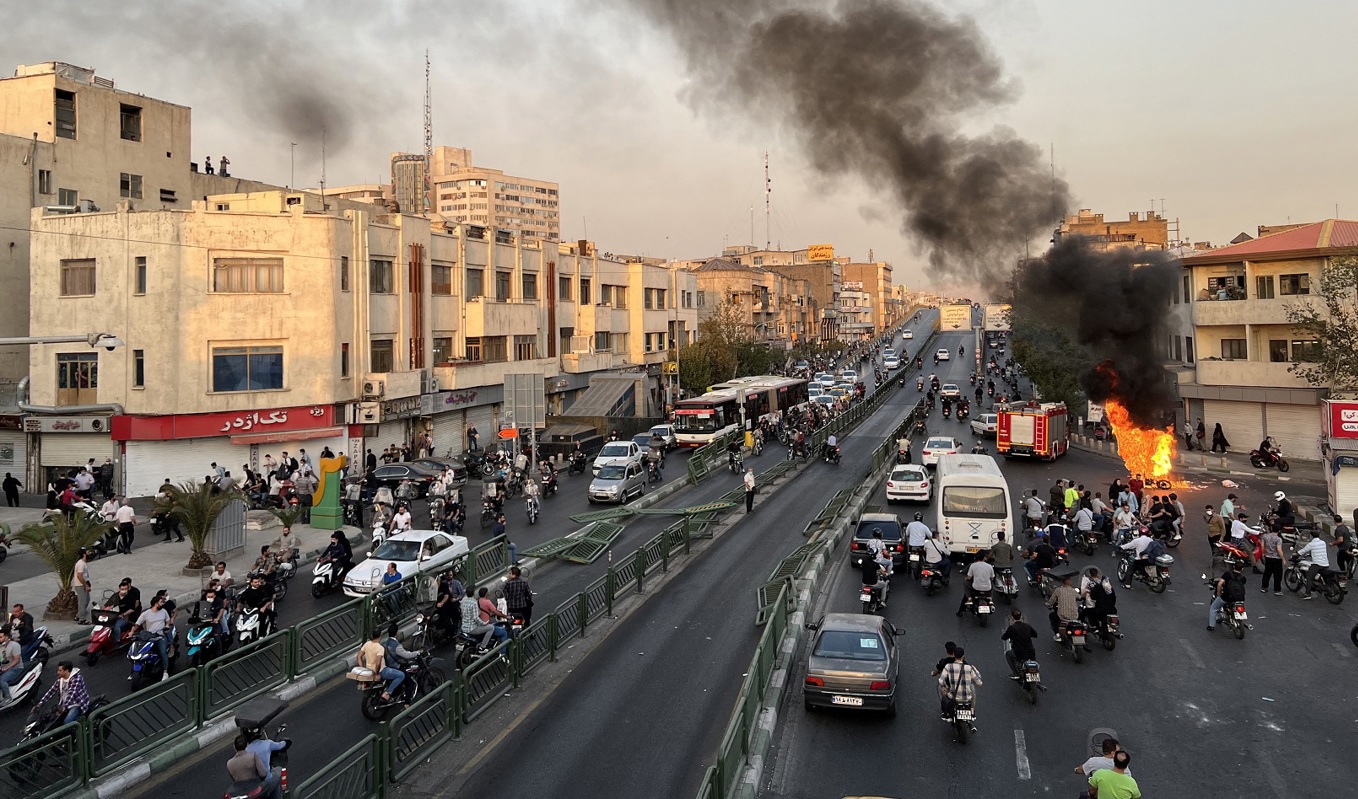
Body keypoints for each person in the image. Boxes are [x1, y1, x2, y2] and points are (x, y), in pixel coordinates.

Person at [130, 593, 174, 682]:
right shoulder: (146, 614)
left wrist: (167, 625)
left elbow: (168, 620)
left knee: (162, 652)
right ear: (155, 603)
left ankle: (165, 672)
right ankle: (133, 672)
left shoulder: (164, 611)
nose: (162, 604)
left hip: (160, 637)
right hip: (148, 637)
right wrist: (131, 632)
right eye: (161, 602)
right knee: (138, 651)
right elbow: (137, 624)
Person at [37, 660, 91, 724]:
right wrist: (40, 703)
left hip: (77, 704)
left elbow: (72, 694)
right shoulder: (60, 679)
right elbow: (51, 691)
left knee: (67, 722)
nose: (57, 672)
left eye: (60, 670)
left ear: (67, 671)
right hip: (65, 705)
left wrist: (63, 708)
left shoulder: (77, 679)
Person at [936, 646, 981, 721]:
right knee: (972, 687)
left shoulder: (948, 666)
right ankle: (972, 711)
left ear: (954, 655)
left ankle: (946, 713)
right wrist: (976, 671)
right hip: (967, 697)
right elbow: (979, 682)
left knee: (941, 688)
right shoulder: (968, 667)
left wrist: (945, 688)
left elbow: (941, 681)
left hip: (953, 696)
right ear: (963, 656)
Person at [382, 622, 422, 700]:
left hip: (387, 666)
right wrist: (417, 653)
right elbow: (406, 655)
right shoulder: (397, 646)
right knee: (410, 683)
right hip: (396, 667)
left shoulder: (385, 643)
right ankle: (407, 704)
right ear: (396, 633)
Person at [1046, 573, 1084, 647]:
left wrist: (1047, 604)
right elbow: (1079, 597)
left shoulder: (1058, 590)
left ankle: (1058, 634)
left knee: (1052, 616)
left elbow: (1051, 601)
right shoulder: (1073, 591)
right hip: (1074, 617)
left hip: (1063, 617)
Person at [1207, 561, 1247, 630]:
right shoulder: (1243, 578)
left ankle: (1211, 626)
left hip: (1226, 597)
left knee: (1213, 608)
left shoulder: (1227, 574)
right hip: (1240, 599)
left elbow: (1219, 584)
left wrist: (1218, 594)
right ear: (1242, 569)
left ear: (1234, 567)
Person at [1000, 608, 1037, 677]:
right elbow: (1035, 635)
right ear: (1021, 616)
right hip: (1031, 652)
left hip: (1019, 653)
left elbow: (1004, 637)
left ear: (1012, 618)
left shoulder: (1012, 628)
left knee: (1008, 654)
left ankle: (1015, 673)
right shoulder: (1027, 626)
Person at [1296, 532, 1331, 600]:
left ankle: (1307, 594)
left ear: (1311, 537)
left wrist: (1295, 554)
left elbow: (1302, 551)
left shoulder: (1311, 544)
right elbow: (1318, 551)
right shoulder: (1323, 542)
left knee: (1309, 577)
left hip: (1317, 564)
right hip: (1326, 563)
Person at [110, 578, 142, 645]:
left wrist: (126, 613)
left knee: (117, 627)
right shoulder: (118, 594)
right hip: (120, 613)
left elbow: (136, 604)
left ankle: (117, 641)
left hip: (131, 613)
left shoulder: (134, 592)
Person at [72, 548, 93, 624]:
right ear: (84, 554)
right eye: (88, 552)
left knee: (86, 600)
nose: (90, 553)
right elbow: (80, 576)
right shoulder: (81, 564)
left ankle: (78, 615)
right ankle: (81, 619)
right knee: (83, 602)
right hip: (80, 585)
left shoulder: (83, 563)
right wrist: (85, 586)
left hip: (83, 584)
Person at [1333, 516, 1355, 582]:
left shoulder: (1338, 530)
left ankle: (1343, 574)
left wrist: (1333, 543)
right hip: (1349, 546)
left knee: (1340, 561)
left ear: (1334, 521)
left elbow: (1340, 540)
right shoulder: (1345, 527)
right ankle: (1350, 574)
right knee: (1349, 561)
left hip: (1343, 548)